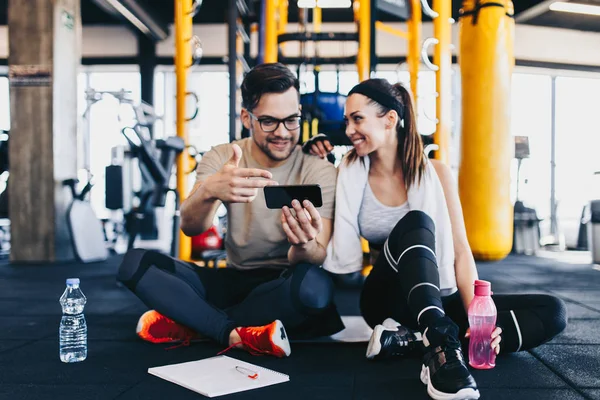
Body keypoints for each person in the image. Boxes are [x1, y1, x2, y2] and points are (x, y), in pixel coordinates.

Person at [305, 78, 568, 400]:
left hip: (439, 297)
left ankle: (413, 340)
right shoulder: (346, 172)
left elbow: (459, 249)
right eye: (346, 121)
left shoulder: (437, 173)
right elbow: (328, 240)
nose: (348, 130)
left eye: (357, 119)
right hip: (387, 300)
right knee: (417, 223)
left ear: (389, 119)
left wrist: (478, 318)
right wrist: (311, 157)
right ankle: (441, 347)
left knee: (551, 311)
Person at [117, 63, 343, 358]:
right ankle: (237, 334)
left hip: (283, 284)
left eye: (291, 120)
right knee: (135, 263)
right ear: (246, 117)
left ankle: (197, 322)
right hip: (233, 278)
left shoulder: (320, 169)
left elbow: (318, 253)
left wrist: (303, 244)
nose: (283, 132)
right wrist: (210, 191)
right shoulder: (224, 157)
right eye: (269, 122)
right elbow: (190, 227)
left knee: (315, 288)